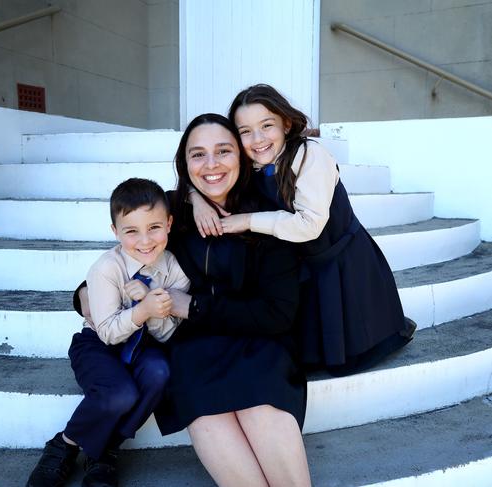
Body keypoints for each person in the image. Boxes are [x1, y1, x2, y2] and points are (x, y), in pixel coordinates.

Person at [190, 84, 415, 376]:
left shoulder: (309, 155)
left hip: (340, 260)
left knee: (350, 348)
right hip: (303, 264)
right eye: (245, 131)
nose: (257, 139)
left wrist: (247, 221)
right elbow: (199, 177)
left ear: (285, 123)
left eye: (266, 126)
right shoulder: (253, 163)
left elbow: (309, 224)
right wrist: (196, 199)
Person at [157, 114, 310, 486]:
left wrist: (191, 307)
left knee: (260, 409)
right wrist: (86, 296)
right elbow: (125, 259)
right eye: (198, 155)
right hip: (194, 350)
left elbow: (277, 314)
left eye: (224, 151)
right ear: (184, 163)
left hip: (260, 343)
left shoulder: (267, 217)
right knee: (208, 415)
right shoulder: (169, 211)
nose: (211, 165)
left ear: (241, 158)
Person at [27, 178, 190, 487]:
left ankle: (104, 451)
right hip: (98, 345)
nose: (145, 240)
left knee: (159, 372)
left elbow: (168, 335)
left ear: (169, 223)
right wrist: (140, 311)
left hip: (145, 344)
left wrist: (151, 306)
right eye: (131, 231)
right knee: (120, 393)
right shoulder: (106, 268)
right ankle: (65, 444)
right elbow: (108, 334)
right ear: (115, 231)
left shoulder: (173, 269)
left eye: (154, 227)